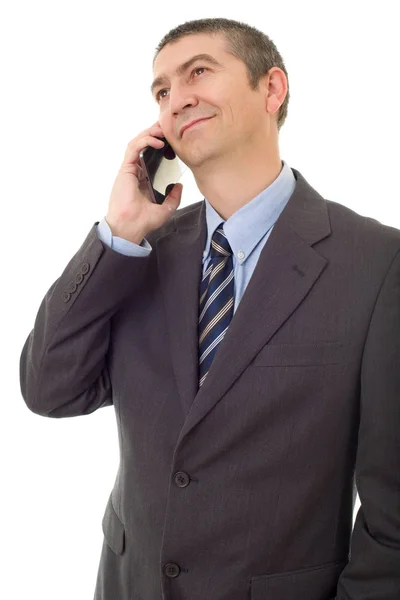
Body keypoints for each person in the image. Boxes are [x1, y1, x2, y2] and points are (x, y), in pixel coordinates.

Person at [19, 17, 400, 600]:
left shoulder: (377, 263)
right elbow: (50, 389)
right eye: (162, 90)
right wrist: (117, 234)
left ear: (272, 89)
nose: (177, 99)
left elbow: (392, 514)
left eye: (198, 71)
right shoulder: (140, 253)